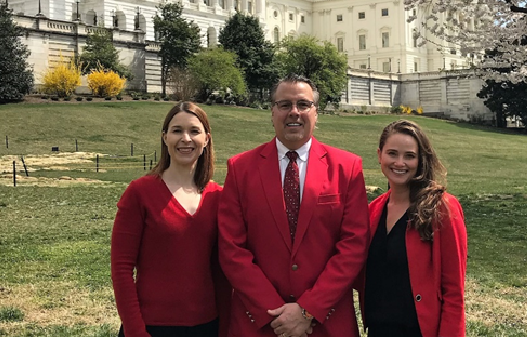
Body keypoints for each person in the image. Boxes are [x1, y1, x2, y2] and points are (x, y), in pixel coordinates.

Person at [218, 74, 369, 337]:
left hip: (326, 322)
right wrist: (275, 310)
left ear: (316, 112)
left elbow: (353, 246)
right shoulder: (240, 169)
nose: (294, 112)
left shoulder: (348, 168)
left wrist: (308, 310)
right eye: (284, 104)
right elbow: (232, 250)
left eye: (303, 104)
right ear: (272, 111)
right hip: (260, 323)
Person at [111, 102, 230, 337]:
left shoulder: (219, 197)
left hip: (206, 326)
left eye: (194, 131)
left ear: (206, 139)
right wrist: (136, 331)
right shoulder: (140, 193)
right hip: (152, 326)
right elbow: (121, 269)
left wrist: (226, 327)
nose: (185, 139)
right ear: (165, 138)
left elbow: (222, 273)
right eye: (177, 131)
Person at [357, 119, 468, 337]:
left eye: (409, 156)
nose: (400, 163)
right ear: (379, 155)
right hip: (378, 330)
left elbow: (454, 292)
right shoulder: (373, 211)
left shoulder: (442, 207)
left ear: (421, 160)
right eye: (392, 153)